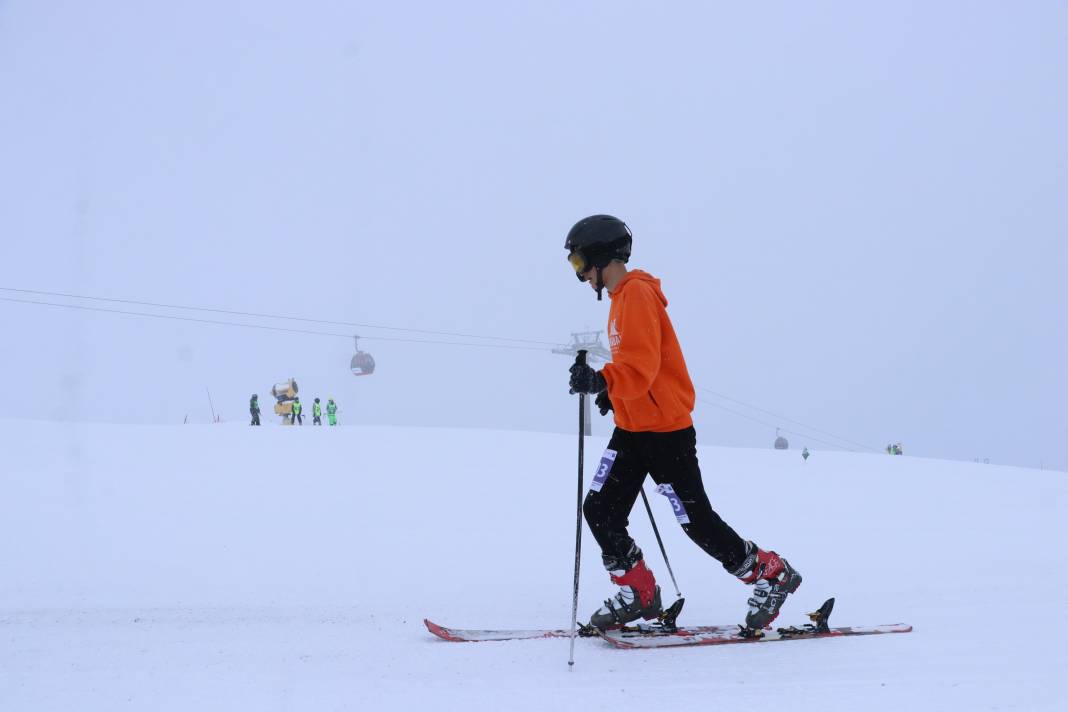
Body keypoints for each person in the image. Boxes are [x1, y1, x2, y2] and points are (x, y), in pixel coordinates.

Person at [564, 214, 802, 632]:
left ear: (602, 255)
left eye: (580, 262)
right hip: (634, 430)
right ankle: (639, 591)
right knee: (600, 508)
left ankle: (771, 573)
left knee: (697, 522)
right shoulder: (620, 299)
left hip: (666, 433)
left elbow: (641, 366)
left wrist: (604, 379)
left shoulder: (637, 295)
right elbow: (637, 372)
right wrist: (611, 393)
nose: (580, 274)